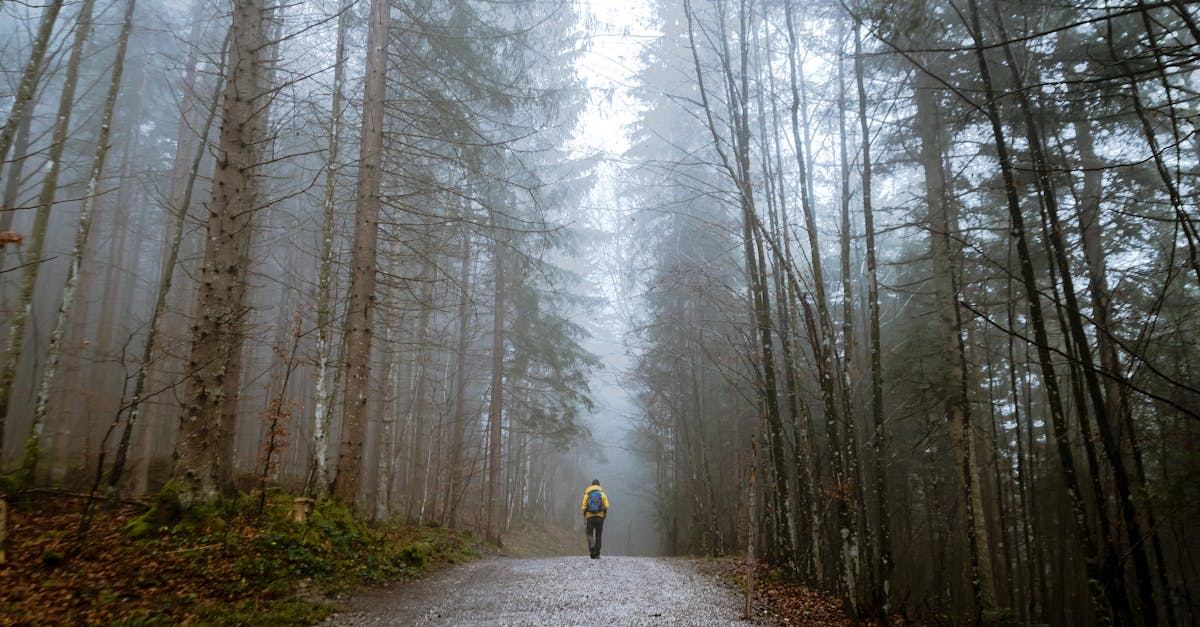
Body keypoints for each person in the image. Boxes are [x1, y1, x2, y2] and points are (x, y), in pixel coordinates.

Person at [581, 479, 609, 559]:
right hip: (600, 517)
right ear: (599, 485)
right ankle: (597, 554)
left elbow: (583, 507)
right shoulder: (602, 494)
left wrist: (586, 513)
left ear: (592, 485)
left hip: (590, 517)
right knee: (598, 535)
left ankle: (592, 547)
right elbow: (607, 506)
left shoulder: (587, 494)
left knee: (589, 533)